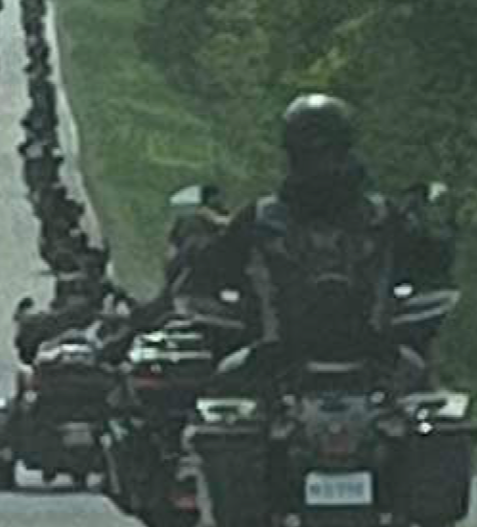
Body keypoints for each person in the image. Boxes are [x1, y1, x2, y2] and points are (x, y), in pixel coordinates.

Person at [179, 95, 453, 391]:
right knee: (222, 389)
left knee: (422, 386)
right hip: (302, 359)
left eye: (326, 153)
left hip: (341, 356)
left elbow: (433, 270)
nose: (321, 164)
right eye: (313, 154)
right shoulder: (378, 213)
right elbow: (206, 275)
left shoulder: (377, 216)